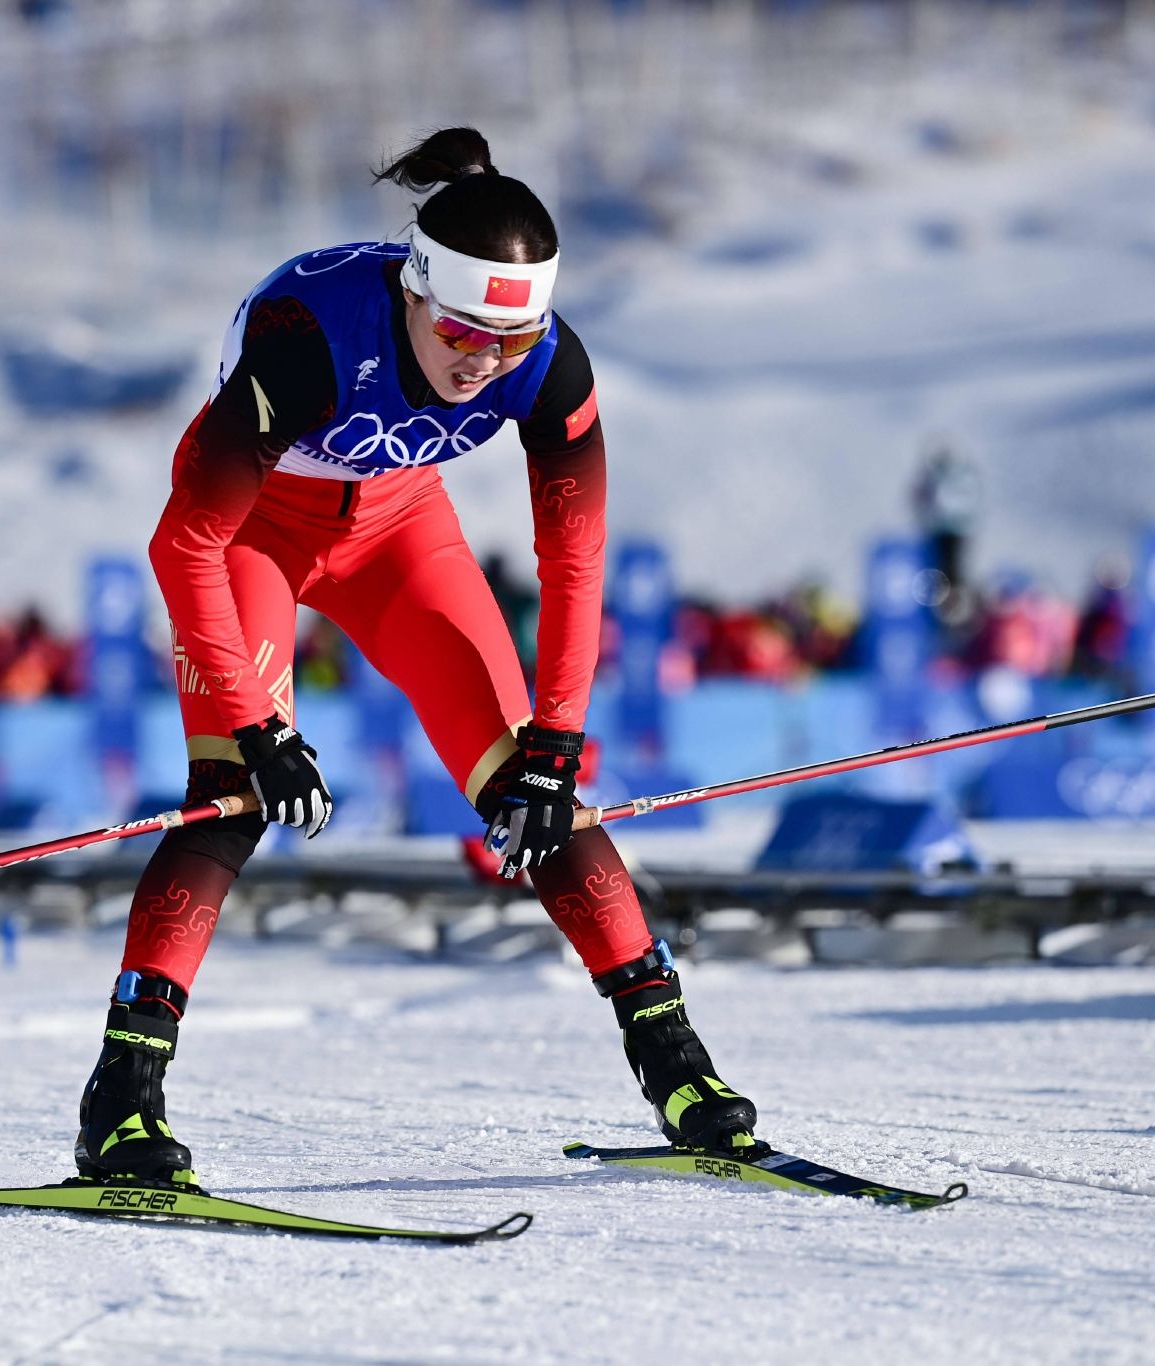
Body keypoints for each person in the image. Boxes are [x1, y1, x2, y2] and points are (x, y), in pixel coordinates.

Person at [75, 129, 759, 1190]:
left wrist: (558, 742)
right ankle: (120, 1099)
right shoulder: (307, 338)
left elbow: (574, 560)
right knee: (230, 798)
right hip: (257, 532)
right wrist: (259, 729)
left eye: (510, 338)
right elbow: (186, 544)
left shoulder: (550, 364)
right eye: (461, 332)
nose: (483, 361)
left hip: (398, 533)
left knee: (536, 795)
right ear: (414, 289)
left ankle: (676, 1067)